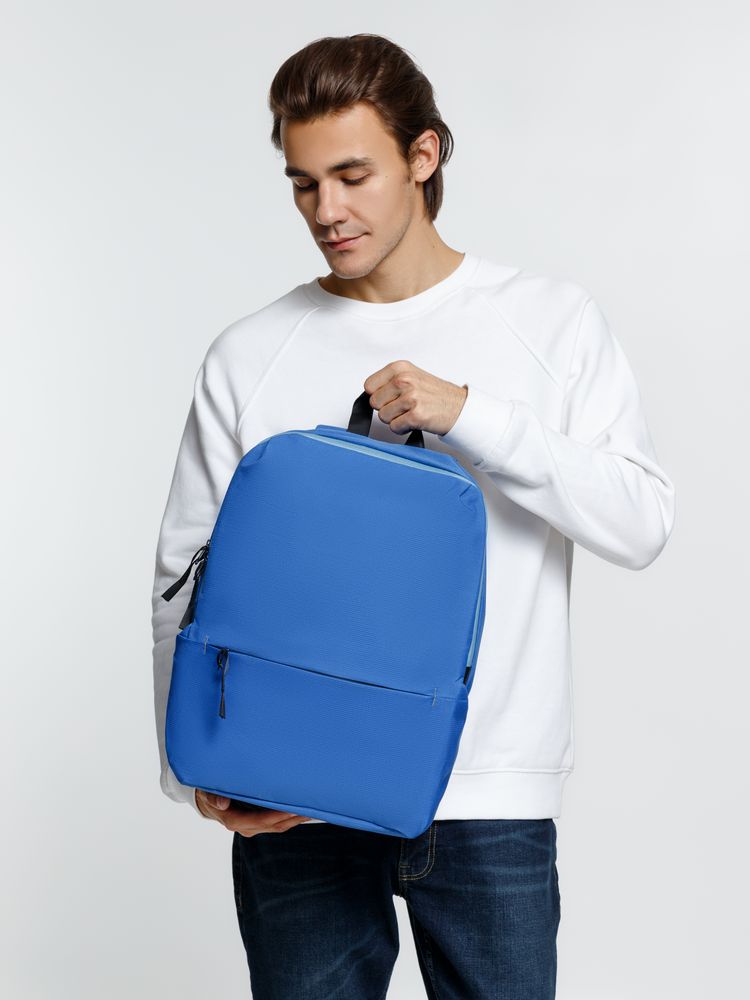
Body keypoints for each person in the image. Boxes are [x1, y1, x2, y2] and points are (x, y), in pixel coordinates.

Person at [150, 32, 676, 1000]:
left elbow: (641, 521)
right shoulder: (251, 352)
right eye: (303, 183)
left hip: (488, 793)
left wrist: (474, 416)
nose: (327, 211)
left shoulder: (549, 321)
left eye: (353, 176)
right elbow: (184, 574)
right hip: (292, 787)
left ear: (423, 156)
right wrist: (195, 768)